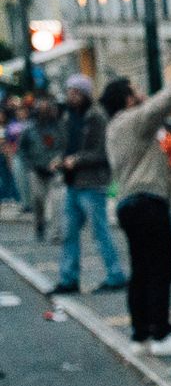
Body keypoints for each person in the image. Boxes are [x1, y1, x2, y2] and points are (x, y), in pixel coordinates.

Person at [105, 72, 171, 355]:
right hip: (148, 201)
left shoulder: (115, 126)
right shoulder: (133, 121)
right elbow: (158, 106)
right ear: (127, 99)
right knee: (159, 269)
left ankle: (141, 335)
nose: (142, 93)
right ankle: (161, 333)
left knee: (141, 271)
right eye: (136, 90)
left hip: (130, 203)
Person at [52, 73, 127, 295]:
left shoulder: (97, 117)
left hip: (92, 182)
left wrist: (77, 160)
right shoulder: (68, 117)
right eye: (70, 92)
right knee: (69, 233)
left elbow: (103, 153)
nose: (72, 96)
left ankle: (115, 275)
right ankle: (68, 278)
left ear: (85, 94)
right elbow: (66, 146)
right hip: (73, 182)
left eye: (76, 92)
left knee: (99, 231)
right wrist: (60, 160)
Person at [18, 94, 63, 240]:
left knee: (57, 201)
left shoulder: (59, 127)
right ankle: (39, 224)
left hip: (55, 170)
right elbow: (22, 149)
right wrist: (28, 165)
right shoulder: (29, 128)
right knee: (38, 200)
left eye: (47, 109)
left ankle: (56, 232)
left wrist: (59, 159)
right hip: (36, 169)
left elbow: (65, 146)